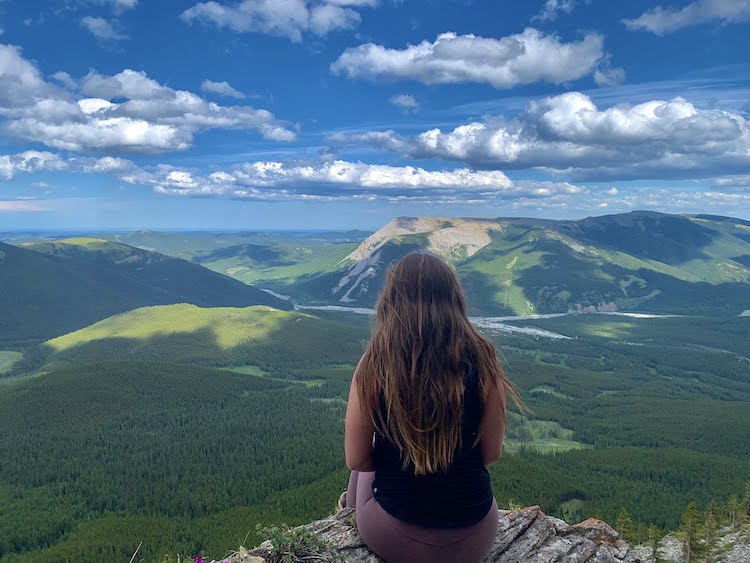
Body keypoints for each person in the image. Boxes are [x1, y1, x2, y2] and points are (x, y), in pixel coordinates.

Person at [343, 252, 522, 563]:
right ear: (453, 298)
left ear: (392, 300)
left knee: (364, 464)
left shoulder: (375, 363)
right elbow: (491, 452)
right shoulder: (483, 358)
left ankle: (343, 525)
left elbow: (356, 458)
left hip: (394, 537)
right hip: (475, 535)